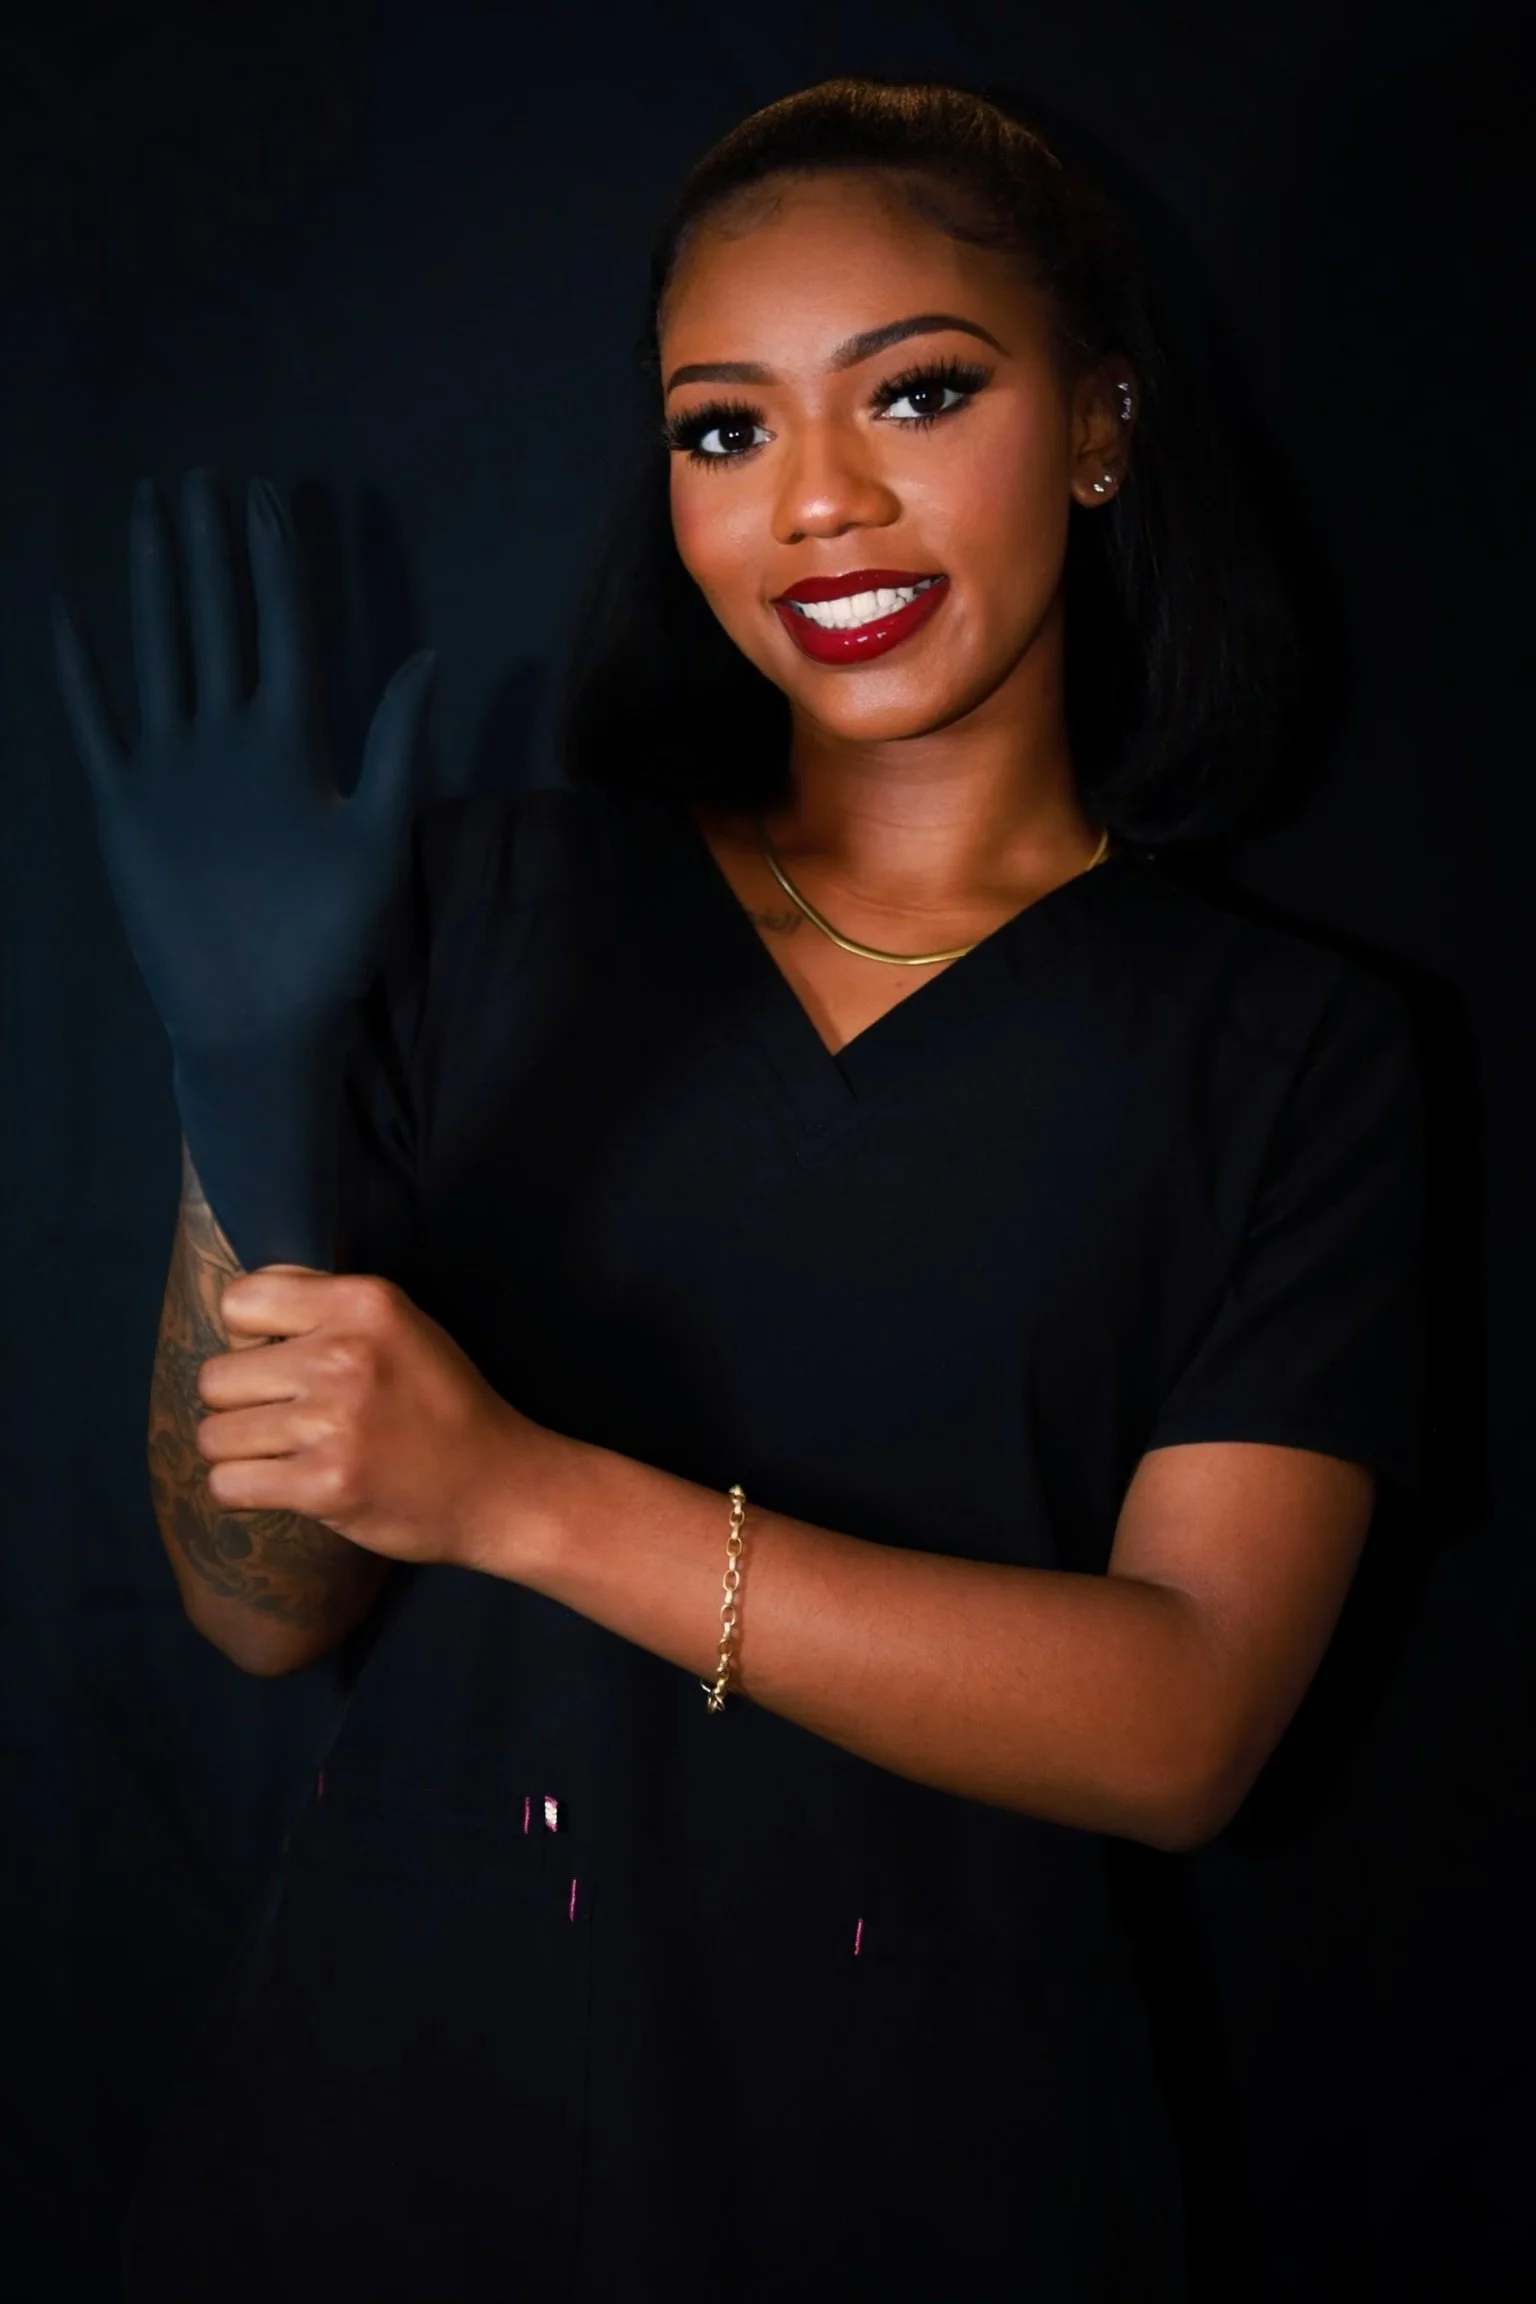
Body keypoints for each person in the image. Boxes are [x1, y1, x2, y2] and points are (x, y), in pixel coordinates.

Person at [103, 75, 1422, 2304]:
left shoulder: (1289, 1056)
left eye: (918, 391)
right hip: (389, 2153)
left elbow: (1190, 1723)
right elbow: (260, 1609)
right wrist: (243, 1084)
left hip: (928, 2180)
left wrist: (527, 1499)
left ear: (1103, 423)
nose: (818, 500)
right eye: (724, 428)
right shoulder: (479, 910)